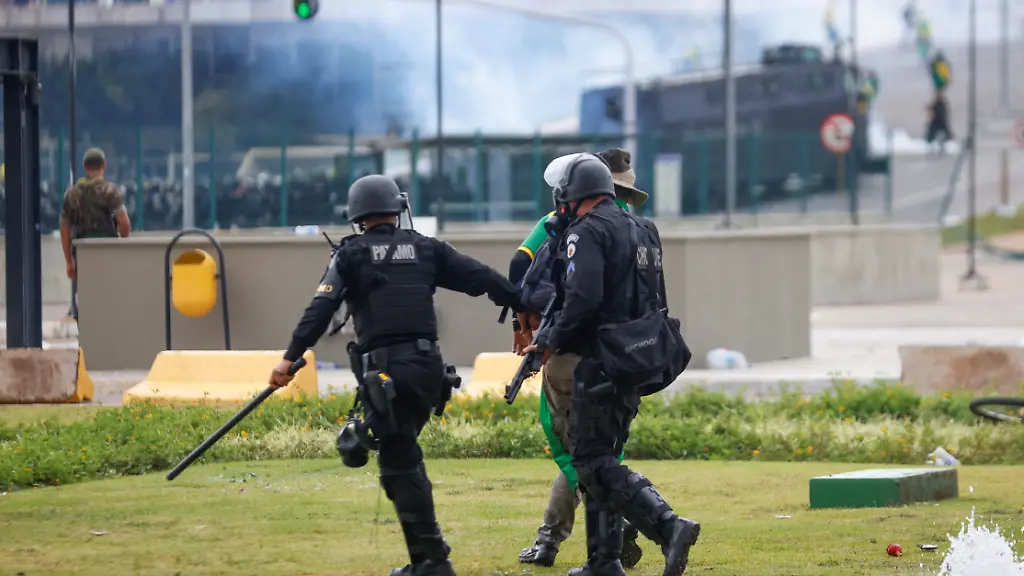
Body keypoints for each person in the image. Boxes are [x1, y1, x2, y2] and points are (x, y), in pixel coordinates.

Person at [268, 174, 525, 576]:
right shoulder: (425, 248)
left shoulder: (350, 256)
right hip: (427, 372)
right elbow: (483, 278)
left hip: (388, 373)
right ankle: (429, 557)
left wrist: (289, 359)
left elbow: (319, 311)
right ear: (397, 208)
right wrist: (519, 306)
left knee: (398, 464)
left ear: (357, 216)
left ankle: (433, 562)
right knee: (402, 457)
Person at [522, 153, 699, 576]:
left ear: (570, 193)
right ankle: (604, 561)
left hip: (600, 359)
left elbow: (582, 299)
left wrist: (546, 340)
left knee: (591, 460)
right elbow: (654, 295)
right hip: (639, 357)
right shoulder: (644, 228)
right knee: (599, 456)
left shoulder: (586, 231)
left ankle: (669, 526)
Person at [514, 148, 649, 569]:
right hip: (623, 355)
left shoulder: (566, 226)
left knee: (575, 452)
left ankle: (623, 522)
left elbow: (521, 269)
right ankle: (566, 541)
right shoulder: (638, 227)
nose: (622, 200)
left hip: (572, 351)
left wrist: (534, 326)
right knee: (600, 451)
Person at [60, 148, 131, 320]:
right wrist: (123, 240)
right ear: (103, 166)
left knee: (84, 298)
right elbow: (124, 222)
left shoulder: (71, 194)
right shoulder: (110, 191)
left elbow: (64, 228)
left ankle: (86, 336)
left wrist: (69, 261)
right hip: (108, 252)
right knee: (110, 297)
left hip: (82, 253)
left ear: (85, 167)